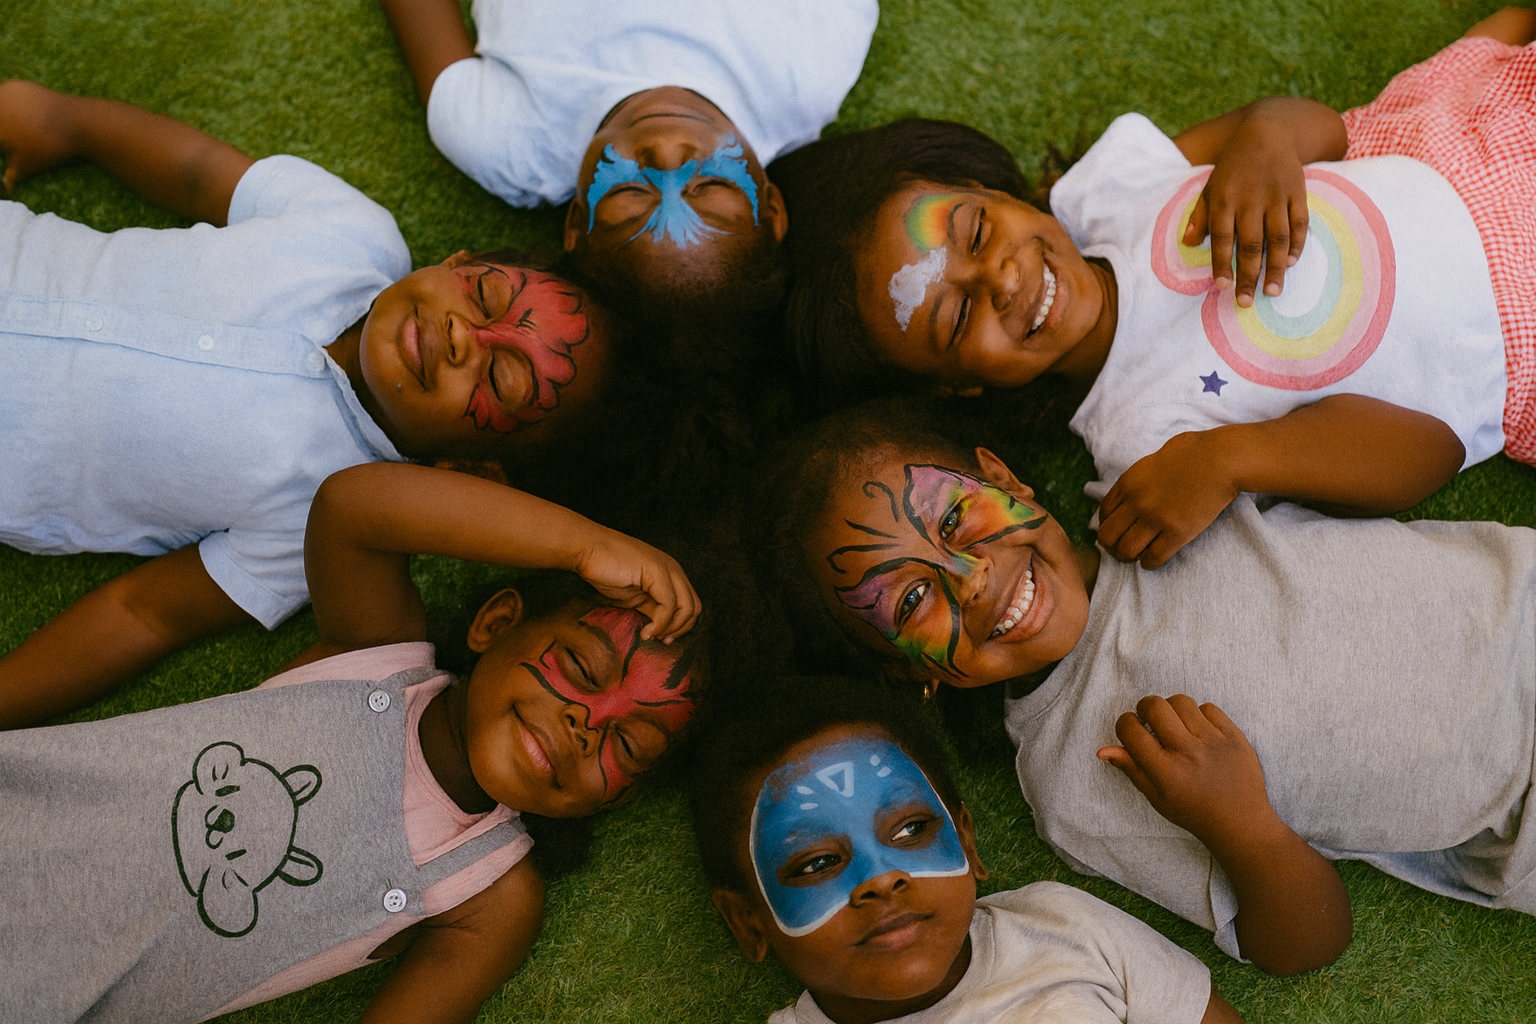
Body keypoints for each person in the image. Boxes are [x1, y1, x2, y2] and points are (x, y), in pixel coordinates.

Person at [764, 399, 1536, 976]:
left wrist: (1233, 455)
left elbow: (1432, 449)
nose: (970, 579)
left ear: (1003, 477)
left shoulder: (1164, 476)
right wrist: (1242, 824)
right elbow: (1306, 944)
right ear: (909, 672)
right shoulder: (1074, 784)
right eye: (909, 600)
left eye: (956, 519)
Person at [771, 8, 1536, 570]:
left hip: (1455, 153)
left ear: (991, 192)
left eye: (976, 232)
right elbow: (1428, 449)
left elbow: (1324, 132)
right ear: (958, 387)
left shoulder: (1106, 191)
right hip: (1510, 335)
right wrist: (1231, 458)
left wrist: (1266, 138)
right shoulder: (1144, 445)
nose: (1000, 278)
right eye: (957, 314)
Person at [0, 458, 709, 1023]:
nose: (587, 724)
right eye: (582, 667)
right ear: (495, 624)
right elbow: (355, 505)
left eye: (628, 745)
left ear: (618, 800)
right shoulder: (377, 656)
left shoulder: (491, 898)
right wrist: (585, 546)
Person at [0, 81, 619, 726]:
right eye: (484, 296)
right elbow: (199, 174)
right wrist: (69, 120)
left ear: (470, 469)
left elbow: (146, 613)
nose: (466, 335)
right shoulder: (352, 233)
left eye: (501, 379)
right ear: (456, 261)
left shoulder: (318, 525)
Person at [690, 673, 1243, 1023]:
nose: (881, 878)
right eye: (818, 863)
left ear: (967, 842)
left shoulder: (1062, 925)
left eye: (910, 830)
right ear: (747, 923)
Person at [378, 0, 878, 315]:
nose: (665, 151)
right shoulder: (808, 73)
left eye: (629, 190)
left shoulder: (513, 145)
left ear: (576, 223)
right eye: (712, 184)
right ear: (771, 208)